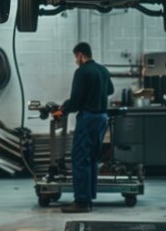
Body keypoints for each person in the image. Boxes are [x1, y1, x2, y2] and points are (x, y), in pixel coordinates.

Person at [55, 42, 114, 213]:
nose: (75, 61)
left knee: (81, 158)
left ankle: (81, 201)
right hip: (102, 118)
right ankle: (89, 198)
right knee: (92, 159)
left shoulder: (82, 72)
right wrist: (95, 94)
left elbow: (76, 100)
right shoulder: (103, 70)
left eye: (76, 57)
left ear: (81, 55)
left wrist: (62, 111)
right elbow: (109, 90)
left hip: (88, 118)